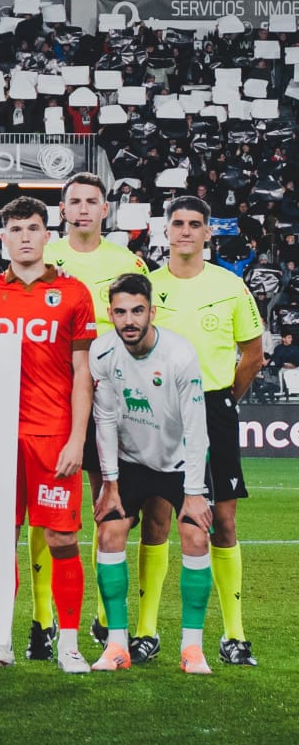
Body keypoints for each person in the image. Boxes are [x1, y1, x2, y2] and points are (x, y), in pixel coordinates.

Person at [0, 197, 97, 674]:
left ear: (48, 234)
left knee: (62, 540)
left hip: (52, 434)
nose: (24, 237)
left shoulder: (75, 293)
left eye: (33, 228)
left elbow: (84, 372)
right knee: (0, 541)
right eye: (16, 229)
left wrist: (77, 438)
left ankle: (69, 644)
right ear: (4, 237)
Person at [148, 195, 265, 667]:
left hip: (214, 408)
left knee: (223, 522)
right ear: (166, 230)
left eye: (195, 224)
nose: (186, 232)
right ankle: (145, 631)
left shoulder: (232, 286)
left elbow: (252, 354)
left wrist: (222, 403)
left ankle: (234, 635)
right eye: (178, 223)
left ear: (207, 233)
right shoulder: (147, 287)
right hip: (157, 410)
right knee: (156, 520)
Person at [42, 171, 150, 649]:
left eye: (92, 201)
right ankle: (42, 622)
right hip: (51, 400)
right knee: (49, 508)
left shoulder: (126, 261)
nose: (83, 208)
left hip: (113, 399)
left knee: (110, 503)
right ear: (61, 210)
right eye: (75, 201)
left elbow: (142, 328)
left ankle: (108, 618)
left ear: (106, 210)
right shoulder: (45, 257)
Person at [88, 273, 215, 674]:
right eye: (121, 312)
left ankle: (192, 649)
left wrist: (194, 492)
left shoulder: (179, 355)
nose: (129, 320)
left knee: (195, 534)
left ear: (151, 312)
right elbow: (105, 417)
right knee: (109, 532)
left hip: (179, 463)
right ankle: (117, 646)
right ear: (110, 314)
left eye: (137, 311)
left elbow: (197, 428)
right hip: (132, 462)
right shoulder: (103, 352)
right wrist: (110, 483)